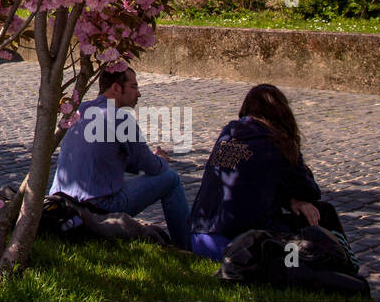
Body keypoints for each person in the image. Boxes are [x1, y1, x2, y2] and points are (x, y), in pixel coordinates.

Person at [188, 83, 348, 261]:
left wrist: (290, 199)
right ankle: (345, 264)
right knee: (322, 214)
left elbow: (251, 181)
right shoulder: (275, 142)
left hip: (200, 237)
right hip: (242, 245)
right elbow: (309, 190)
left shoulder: (228, 134)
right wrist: (296, 197)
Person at [49, 66, 190, 250]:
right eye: (134, 86)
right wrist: (161, 159)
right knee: (171, 179)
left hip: (64, 201)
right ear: (115, 88)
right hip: (99, 207)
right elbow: (151, 167)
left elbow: (112, 158)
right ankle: (186, 247)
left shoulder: (81, 109)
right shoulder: (120, 118)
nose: (138, 94)